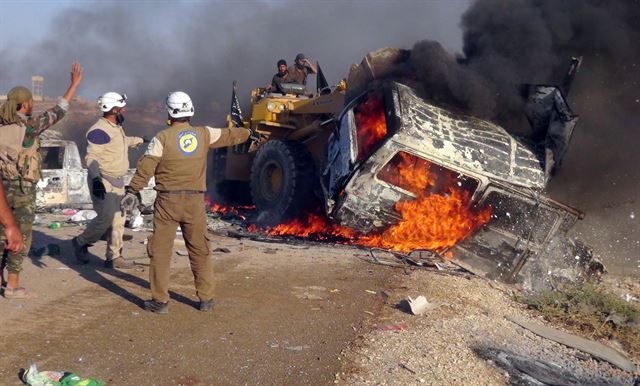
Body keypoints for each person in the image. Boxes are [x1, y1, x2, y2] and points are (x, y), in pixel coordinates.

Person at [121, 91, 251, 314]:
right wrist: (248, 132)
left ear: (169, 113)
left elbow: (145, 168)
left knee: (161, 252)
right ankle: (206, 299)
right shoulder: (204, 134)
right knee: (199, 250)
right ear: (190, 111)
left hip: (167, 203)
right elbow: (231, 135)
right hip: (195, 202)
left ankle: (160, 301)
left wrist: (132, 191)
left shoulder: (161, 138)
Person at [0, 63, 83, 299]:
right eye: (29, 103)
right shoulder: (29, 127)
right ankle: (13, 284)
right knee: (22, 235)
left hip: (2, 190)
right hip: (23, 189)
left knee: (2, 233)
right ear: (25, 104)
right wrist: (74, 84)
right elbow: (59, 111)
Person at [71, 92, 144, 269]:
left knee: (119, 219)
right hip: (103, 180)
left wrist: (140, 141)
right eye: (121, 108)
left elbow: (121, 142)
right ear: (113, 109)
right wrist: (96, 179)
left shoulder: (115, 127)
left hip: (118, 181)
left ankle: (114, 257)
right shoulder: (98, 131)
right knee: (105, 218)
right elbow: (92, 157)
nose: (124, 110)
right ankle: (81, 242)